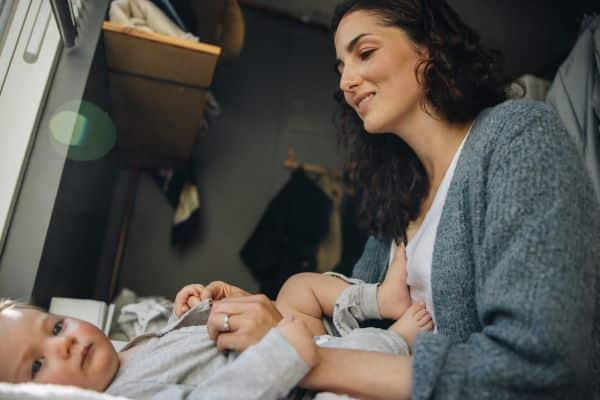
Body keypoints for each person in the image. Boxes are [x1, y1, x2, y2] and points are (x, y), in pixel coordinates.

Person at [200, 1, 600, 399]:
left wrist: (309, 362)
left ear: (430, 49)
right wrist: (270, 317)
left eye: (365, 53)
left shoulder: (518, 136)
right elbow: (353, 334)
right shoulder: (399, 199)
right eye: (340, 68)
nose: (345, 83)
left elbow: (542, 368)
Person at [0, 245, 433, 399]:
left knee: (299, 285)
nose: (65, 344)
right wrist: (282, 357)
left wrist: (194, 309)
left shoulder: (126, 349)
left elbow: (186, 349)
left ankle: (381, 298)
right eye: (37, 365)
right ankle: (393, 340)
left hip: (282, 337)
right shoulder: (126, 396)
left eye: (56, 328)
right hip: (298, 375)